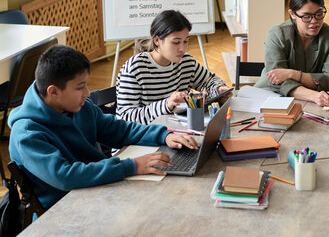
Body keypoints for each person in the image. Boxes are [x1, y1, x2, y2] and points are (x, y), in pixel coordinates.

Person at [8, 45, 199, 210]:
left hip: (101, 190)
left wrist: (163, 135)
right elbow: (66, 176)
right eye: (80, 87)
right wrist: (132, 166)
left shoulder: (79, 106)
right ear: (53, 91)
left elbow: (119, 130)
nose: (87, 93)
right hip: (65, 209)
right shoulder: (27, 134)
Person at [116, 10, 231, 124]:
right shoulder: (135, 68)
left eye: (185, 41)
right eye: (176, 42)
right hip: (145, 136)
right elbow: (125, 118)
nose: (182, 48)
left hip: (173, 130)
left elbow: (209, 80)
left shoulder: (185, 61)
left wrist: (218, 89)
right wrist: (166, 104)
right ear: (157, 40)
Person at [254, 0, 329, 106]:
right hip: (270, 97)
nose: (314, 21)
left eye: (319, 14)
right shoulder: (277, 35)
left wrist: (293, 74)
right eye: (306, 16)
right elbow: (276, 80)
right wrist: (314, 96)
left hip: (313, 103)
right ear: (292, 14)